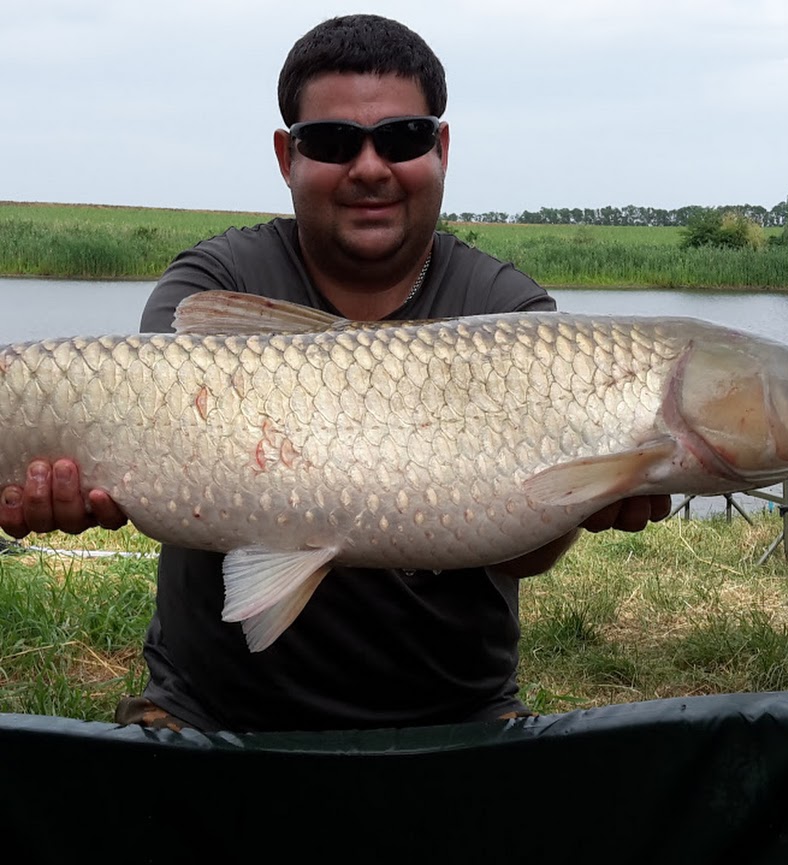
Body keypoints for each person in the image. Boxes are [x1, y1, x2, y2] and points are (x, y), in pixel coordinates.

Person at [0, 14, 670, 732]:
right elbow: (162, 460)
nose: (371, 168)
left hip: (457, 711)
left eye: (405, 138)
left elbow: (527, 553)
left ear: (442, 148)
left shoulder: (512, 314)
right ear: (287, 156)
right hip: (211, 707)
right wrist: (55, 490)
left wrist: (589, 498)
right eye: (332, 143)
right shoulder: (214, 281)